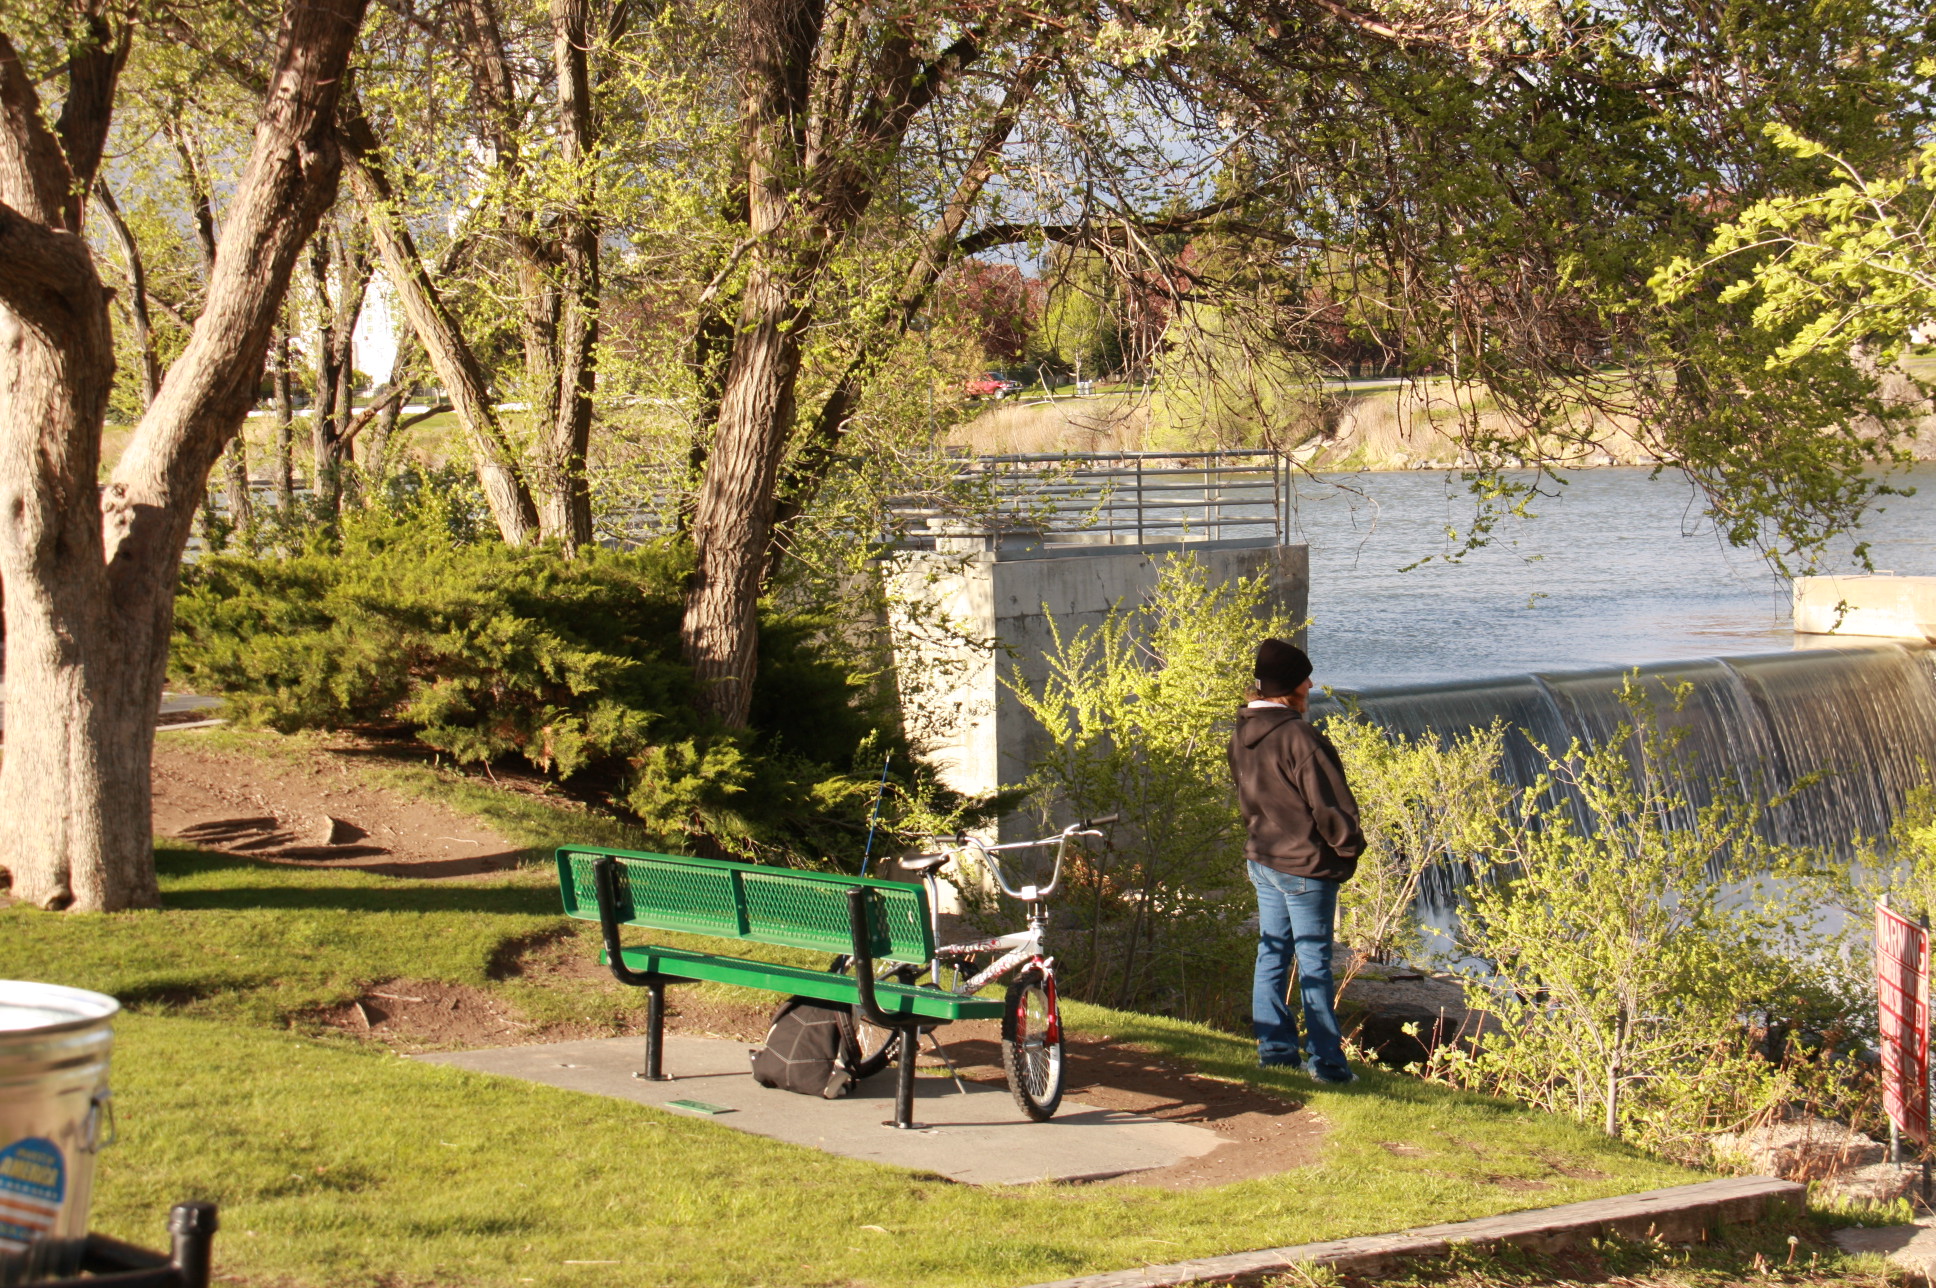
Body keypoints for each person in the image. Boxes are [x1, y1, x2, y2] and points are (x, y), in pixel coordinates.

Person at [1227, 638, 1363, 1083]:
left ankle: (1276, 1053)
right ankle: (1327, 1064)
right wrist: (1347, 851)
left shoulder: (1241, 735)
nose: (1310, 684)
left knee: (1271, 955)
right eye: (1305, 678)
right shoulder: (1301, 738)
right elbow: (1331, 808)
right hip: (1305, 867)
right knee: (1315, 963)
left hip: (1263, 859)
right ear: (1289, 687)